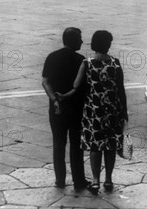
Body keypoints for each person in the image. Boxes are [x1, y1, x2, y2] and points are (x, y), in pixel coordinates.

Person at [58, 31, 128, 195]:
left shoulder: (87, 63)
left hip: (94, 111)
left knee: (95, 146)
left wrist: (63, 96)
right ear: (107, 44)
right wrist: (124, 110)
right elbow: (121, 89)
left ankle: (95, 181)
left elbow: (76, 86)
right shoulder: (115, 63)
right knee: (110, 145)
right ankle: (108, 180)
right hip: (112, 111)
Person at [42, 28, 88, 191]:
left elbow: (45, 82)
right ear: (74, 40)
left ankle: (60, 180)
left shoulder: (52, 57)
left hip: (57, 108)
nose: (82, 41)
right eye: (80, 38)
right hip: (76, 108)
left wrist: (54, 99)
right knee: (76, 145)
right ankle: (78, 180)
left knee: (58, 144)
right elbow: (82, 87)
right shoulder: (81, 60)